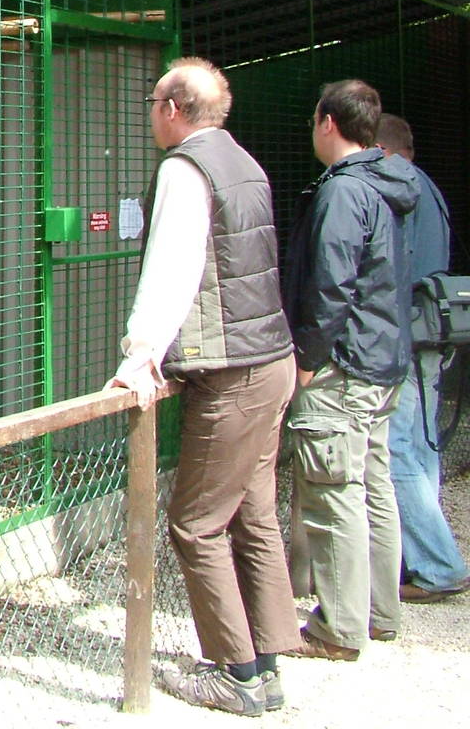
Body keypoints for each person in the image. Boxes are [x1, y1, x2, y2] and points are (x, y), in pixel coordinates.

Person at [108, 58, 300, 716]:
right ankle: (266, 663)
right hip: (271, 360)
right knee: (253, 512)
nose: (150, 110)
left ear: (174, 109)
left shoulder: (185, 169)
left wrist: (140, 355)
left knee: (195, 523)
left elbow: (173, 267)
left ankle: (237, 675)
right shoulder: (244, 162)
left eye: (153, 99)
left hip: (234, 375)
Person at [281, 80, 417, 661]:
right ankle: (380, 613)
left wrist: (308, 360)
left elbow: (331, 284)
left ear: (328, 123)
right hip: (385, 360)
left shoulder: (344, 192)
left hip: (345, 365)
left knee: (334, 492)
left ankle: (339, 628)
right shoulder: (389, 184)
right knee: (373, 486)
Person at [375, 112, 470, 601]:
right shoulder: (431, 189)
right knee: (423, 446)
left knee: (395, 451)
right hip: (434, 338)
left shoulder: (399, 184)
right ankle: (419, 557)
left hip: (407, 338)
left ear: (382, 150)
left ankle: (438, 564)